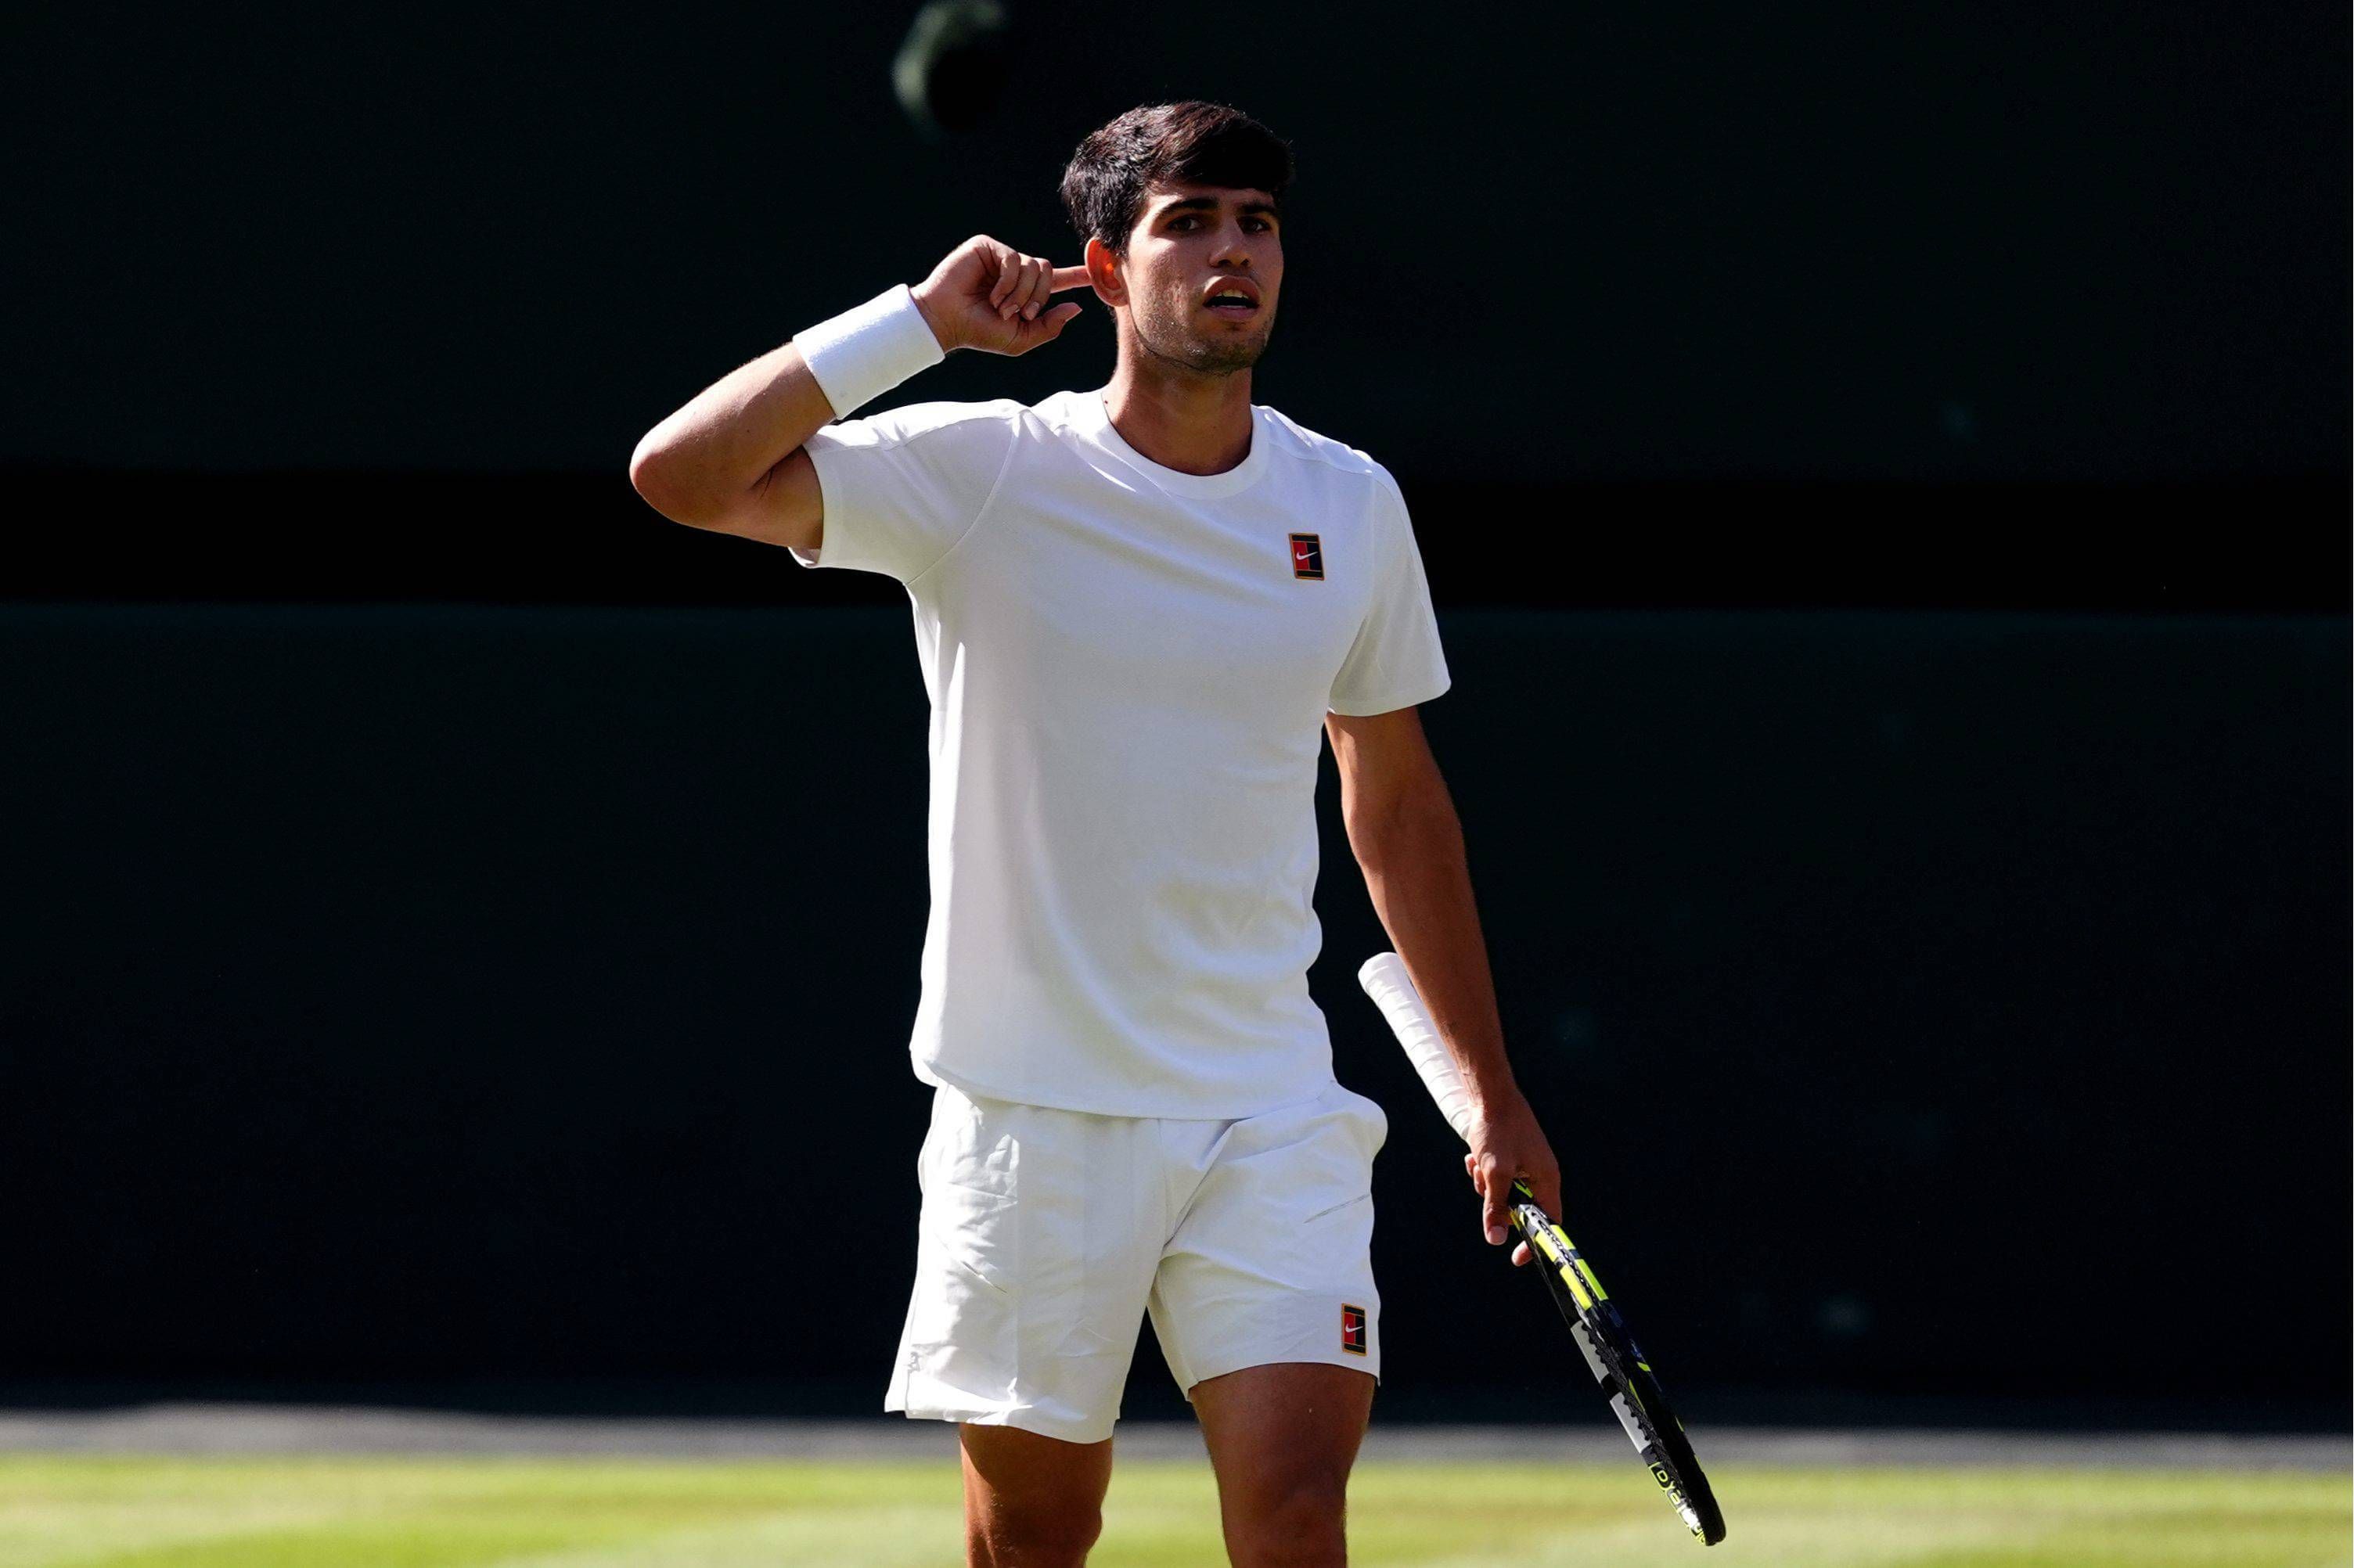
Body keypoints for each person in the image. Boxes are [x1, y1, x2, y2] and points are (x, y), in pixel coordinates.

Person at [628, 100, 1560, 1568]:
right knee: (1038, 1538)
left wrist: (1495, 1096)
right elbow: (679, 477)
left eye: (1257, 222)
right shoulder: (983, 471)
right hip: (1033, 1114)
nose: (1234, 251)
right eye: (1190, 222)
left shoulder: (1350, 504)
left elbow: (1394, 805)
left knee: (1297, 1508)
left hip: (1270, 1108)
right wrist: (916, 324)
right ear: (1106, 270)